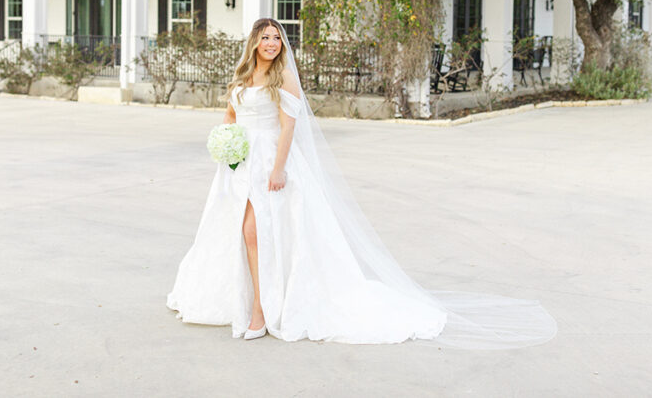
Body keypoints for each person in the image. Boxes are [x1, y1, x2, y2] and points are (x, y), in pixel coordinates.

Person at [166, 18, 557, 346]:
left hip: (270, 159)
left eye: (277, 37)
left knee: (261, 231)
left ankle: (261, 311)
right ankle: (251, 302)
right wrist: (225, 145)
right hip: (239, 164)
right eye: (265, 37)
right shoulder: (243, 75)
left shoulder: (284, 76)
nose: (271, 43)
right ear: (253, 42)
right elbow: (230, 117)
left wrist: (279, 169)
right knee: (243, 232)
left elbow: (288, 127)